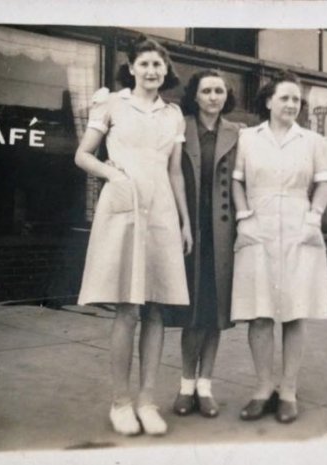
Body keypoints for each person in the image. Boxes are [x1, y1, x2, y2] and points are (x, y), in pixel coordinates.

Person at [75, 36, 192, 436]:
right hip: (123, 208)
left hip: (161, 212)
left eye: (158, 65)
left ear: (166, 70)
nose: (151, 71)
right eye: (144, 64)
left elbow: (175, 172)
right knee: (127, 309)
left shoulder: (173, 114)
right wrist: (114, 175)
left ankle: (147, 401)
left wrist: (185, 221)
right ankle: (120, 402)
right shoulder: (112, 104)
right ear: (131, 68)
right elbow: (82, 154)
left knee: (156, 308)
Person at [231, 71, 327, 424]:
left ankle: (288, 389)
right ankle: (263, 388)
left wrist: (313, 218)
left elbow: (323, 184)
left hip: (298, 225)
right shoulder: (247, 138)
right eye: (285, 98)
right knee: (259, 312)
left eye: (296, 99)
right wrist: (244, 217)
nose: (292, 104)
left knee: (294, 310)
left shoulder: (314, 142)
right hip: (257, 225)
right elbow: (237, 181)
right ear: (268, 101)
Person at [166, 70, 244, 418]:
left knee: (216, 313)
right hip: (189, 228)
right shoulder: (180, 126)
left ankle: (205, 386)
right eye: (207, 91)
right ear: (195, 96)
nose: (214, 97)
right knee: (193, 313)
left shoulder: (238, 133)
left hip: (224, 232)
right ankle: (186, 385)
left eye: (219, 91)